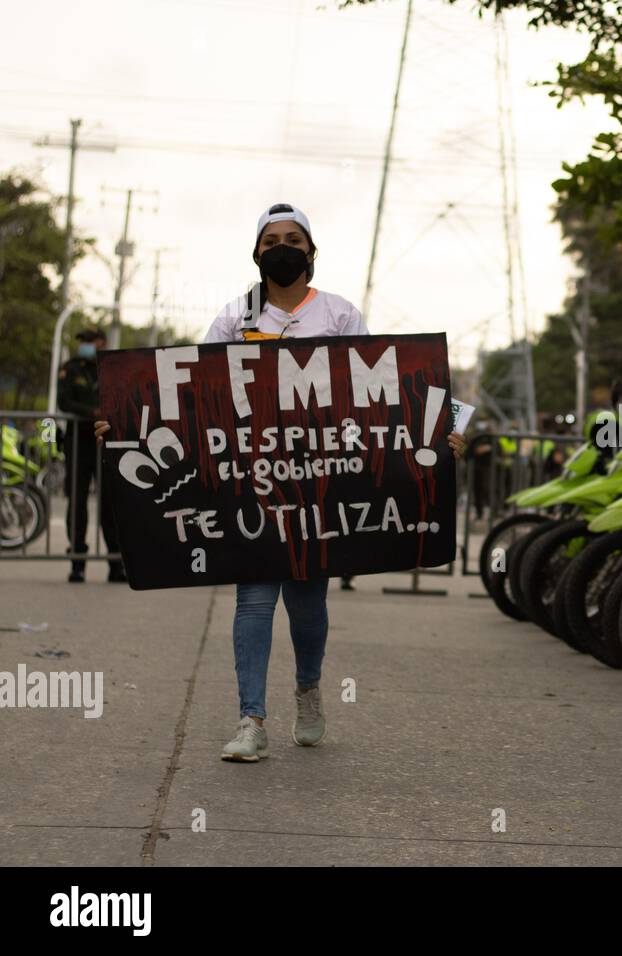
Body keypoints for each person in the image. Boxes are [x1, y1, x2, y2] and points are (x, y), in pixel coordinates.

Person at [95, 202, 465, 762]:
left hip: (317, 489)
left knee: (309, 607)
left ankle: (309, 689)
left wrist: (443, 430)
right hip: (251, 486)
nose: (282, 247)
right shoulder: (234, 319)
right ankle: (251, 719)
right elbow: (189, 393)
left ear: (312, 252)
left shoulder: (340, 316)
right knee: (252, 601)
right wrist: (125, 422)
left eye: (293, 238)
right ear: (257, 253)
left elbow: (379, 395)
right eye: (271, 240)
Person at [57, 327, 125, 583]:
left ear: (102, 343)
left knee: (110, 504)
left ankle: (116, 563)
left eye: (89, 341)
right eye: (82, 340)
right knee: (77, 503)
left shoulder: (111, 368)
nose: (85, 345)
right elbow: (65, 402)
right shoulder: (70, 368)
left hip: (105, 442)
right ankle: (77, 562)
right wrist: (94, 412)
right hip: (78, 442)